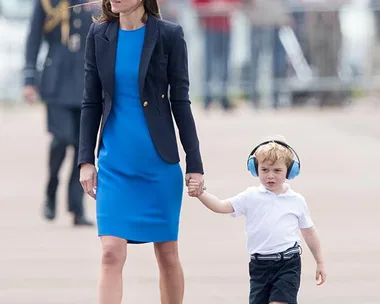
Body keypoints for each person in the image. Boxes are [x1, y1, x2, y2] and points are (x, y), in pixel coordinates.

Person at [77, 0, 204, 303]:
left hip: (158, 165)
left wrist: (194, 163)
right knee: (110, 252)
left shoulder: (169, 35)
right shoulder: (98, 34)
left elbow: (181, 102)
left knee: (167, 254)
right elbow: (91, 101)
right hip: (114, 165)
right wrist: (85, 160)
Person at [188, 138, 326, 304]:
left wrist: (320, 262)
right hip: (259, 266)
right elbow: (221, 206)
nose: (270, 175)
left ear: (290, 171)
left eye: (277, 170)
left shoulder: (296, 200)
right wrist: (201, 194)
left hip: (288, 264)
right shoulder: (250, 196)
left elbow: (309, 232)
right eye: (264, 169)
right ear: (255, 169)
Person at [23, 0, 96, 226]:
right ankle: (51, 189)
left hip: (86, 81)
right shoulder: (47, 3)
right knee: (62, 138)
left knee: (81, 146)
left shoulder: (94, 3)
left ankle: (76, 208)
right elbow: (34, 38)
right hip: (56, 80)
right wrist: (29, 78)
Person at [191, 0, 241, 111]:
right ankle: (207, 98)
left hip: (225, 27)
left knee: (225, 64)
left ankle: (224, 97)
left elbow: (237, 3)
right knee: (208, 63)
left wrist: (225, 6)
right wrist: (212, 7)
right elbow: (195, 4)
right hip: (209, 27)